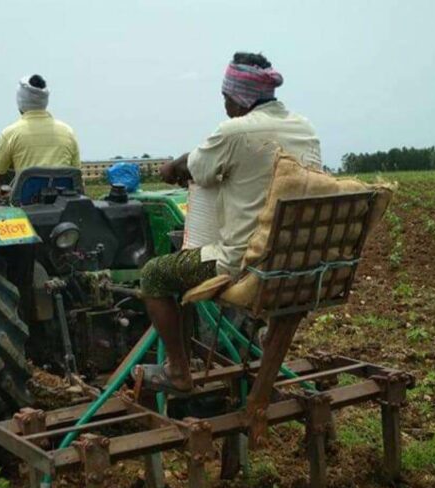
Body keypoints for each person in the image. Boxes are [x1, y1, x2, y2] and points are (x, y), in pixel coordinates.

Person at [137, 52, 322, 394]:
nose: (225, 107)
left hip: (241, 264)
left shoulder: (235, 131)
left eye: (226, 99)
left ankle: (177, 370)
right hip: (296, 260)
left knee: (154, 274)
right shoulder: (304, 128)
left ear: (239, 97)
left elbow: (196, 167)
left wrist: (172, 167)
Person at [0, 74, 80, 188]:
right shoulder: (68, 132)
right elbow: (76, 175)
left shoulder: (11, 133)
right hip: (65, 203)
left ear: (20, 100)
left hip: (24, 204)